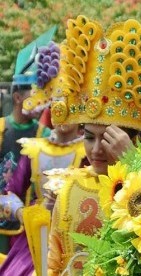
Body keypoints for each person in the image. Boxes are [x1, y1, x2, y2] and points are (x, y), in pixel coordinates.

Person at [45, 16, 141, 275]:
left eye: (110, 138)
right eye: (89, 137)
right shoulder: (69, 189)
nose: (97, 149)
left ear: (133, 139)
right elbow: (55, 262)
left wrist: (134, 165)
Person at [0, 30, 54, 256]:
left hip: (28, 226)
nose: (40, 100)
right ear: (18, 97)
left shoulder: (45, 134)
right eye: (33, 93)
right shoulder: (2, 128)